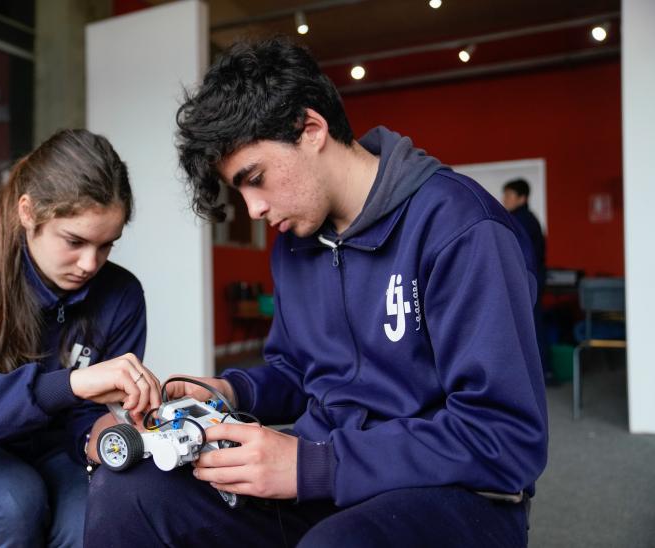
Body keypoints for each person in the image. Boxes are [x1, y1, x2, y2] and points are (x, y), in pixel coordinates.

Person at [84, 38, 547, 547]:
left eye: (255, 178)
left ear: (311, 129)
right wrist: (228, 392)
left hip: (453, 491)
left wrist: (313, 464)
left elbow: (505, 437)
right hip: (324, 472)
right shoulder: (295, 244)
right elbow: (298, 373)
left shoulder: (460, 226)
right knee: (128, 489)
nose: (253, 209)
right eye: (240, 191)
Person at [0, 129, 161, 547]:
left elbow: (89, 421)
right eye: (74, 241)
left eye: (107, 245)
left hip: (59, 449)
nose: (90, 263)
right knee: (10, 504)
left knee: (104, 519)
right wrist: (66, 385)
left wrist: (106, 432)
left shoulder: (123, 295)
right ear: (28, 212)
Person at [502, 178, 550, 382]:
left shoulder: (520, 220)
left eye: (510, 196)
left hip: (525, 282)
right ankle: (542, 373)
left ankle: (536, 376)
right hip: (532, 280)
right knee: (532, 327)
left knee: (528, 329)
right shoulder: (528, 218)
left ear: (522, 198)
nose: (505, 199)